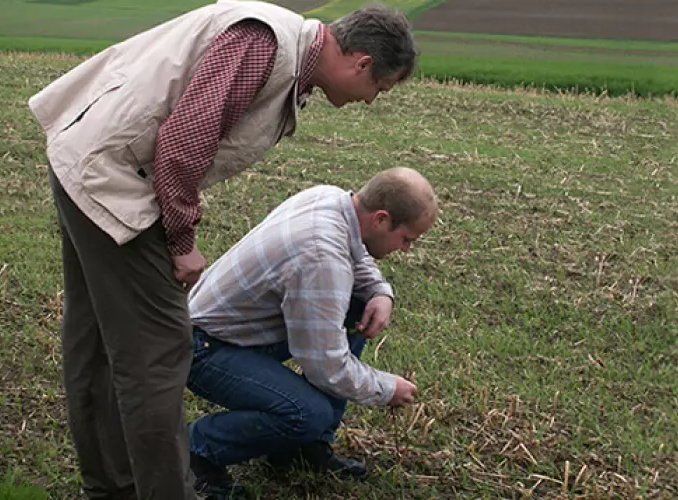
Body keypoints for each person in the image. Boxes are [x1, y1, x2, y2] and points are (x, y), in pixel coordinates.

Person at [28, 1, 417, 498]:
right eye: (379, 89)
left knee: (97, 343)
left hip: (90, 161)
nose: (371, 101)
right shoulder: (266, 45)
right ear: (361, 63)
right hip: (114, 180)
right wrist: (181, 240)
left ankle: (111, 488)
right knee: (159, 353)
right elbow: (182, 144)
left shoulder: (279, 45)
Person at [185, 168, 437, 497]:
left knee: (360, 302)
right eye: (407, 239)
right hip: (204, 348)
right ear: (380, 219)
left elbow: (355, 251)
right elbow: (328, 369)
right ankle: (195, 451)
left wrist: (379, 291)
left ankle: (300, 449)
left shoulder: (331, 199)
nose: (406, 249)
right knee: (307, 413)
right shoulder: (322, 258)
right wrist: (387, 389)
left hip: (230, 330)